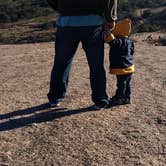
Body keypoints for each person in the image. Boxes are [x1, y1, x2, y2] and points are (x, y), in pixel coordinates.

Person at [46, 0, 117, 109]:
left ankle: (55, 98)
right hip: (93, 24)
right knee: (96, 64)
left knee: (61, 63)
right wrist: (110, 18)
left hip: (66, 23)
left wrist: (63, 8)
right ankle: (100, 100)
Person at [105, 19, 135, 106]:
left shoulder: (118, 41)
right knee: (127, 83)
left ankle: (119, 98)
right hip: (130, 66)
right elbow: (132, 52)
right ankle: (127, 98)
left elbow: (111, 40)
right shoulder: (130, 42)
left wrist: (107, 30)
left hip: (122, 68)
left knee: (121, 84)